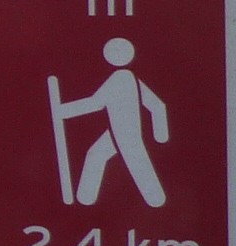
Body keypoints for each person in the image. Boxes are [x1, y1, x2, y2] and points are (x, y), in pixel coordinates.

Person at [50, 37, 168, 208]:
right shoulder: (129, 78)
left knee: (137, 162)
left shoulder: (120, 79)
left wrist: (64, 111)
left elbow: (96, 103)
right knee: (97, 154)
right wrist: (159, 134)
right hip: (117, 130)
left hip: (126, 132)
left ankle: (156, 200)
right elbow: (157, 106)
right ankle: (85, 198)